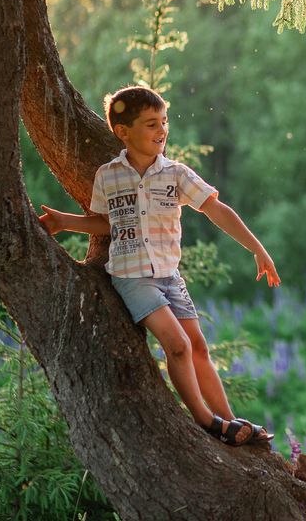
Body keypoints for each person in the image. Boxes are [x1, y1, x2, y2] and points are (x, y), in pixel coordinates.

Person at [40, 85, 280, 447]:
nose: (162, 130)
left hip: (169, 276)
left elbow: (217, 209)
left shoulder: (176, 174)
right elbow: (107, 223)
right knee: (178, 345)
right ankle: (206, 421)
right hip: (132, 276)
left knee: (197, 346)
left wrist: (257, 248)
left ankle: (232, 423)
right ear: (123, 132)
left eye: (164, 122)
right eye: (152, 124)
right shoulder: (109, 175)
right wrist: (66, 221)